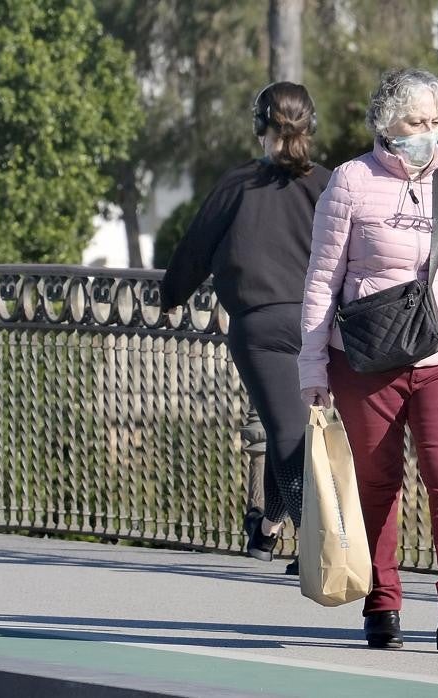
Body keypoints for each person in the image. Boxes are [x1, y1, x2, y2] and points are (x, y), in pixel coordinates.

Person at [297, 68, 438, 652]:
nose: (427, 133)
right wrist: (312, 368)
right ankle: (383, 606)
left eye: (435, 122)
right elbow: (320, 281)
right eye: (415, 122)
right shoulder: (350, 183)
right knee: (376, 483)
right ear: (386, 123)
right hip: (366, 358)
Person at [161, 82, 330, 571]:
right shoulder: (331, 184)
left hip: (259, 328)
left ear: (260, 128)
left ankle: (311, 542)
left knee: (287, 431)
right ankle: (278, 530)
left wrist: (172, 296)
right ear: (310, 128)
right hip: (322, 324)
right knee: (291, 429)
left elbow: (195, 248)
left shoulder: (237, 184)